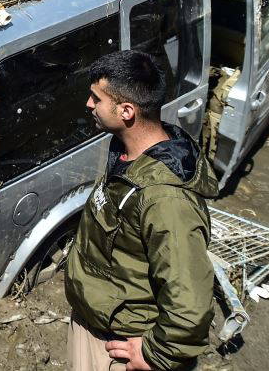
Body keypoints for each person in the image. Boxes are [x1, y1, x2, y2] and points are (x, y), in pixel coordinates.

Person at [64, 50, 218, 371]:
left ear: (126, 111)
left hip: (121, 346)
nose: (88, 105)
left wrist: (156, 354)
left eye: (97, 99)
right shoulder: (125, 148)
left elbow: (190, 303)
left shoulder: (166, 200)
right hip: (95, 320)